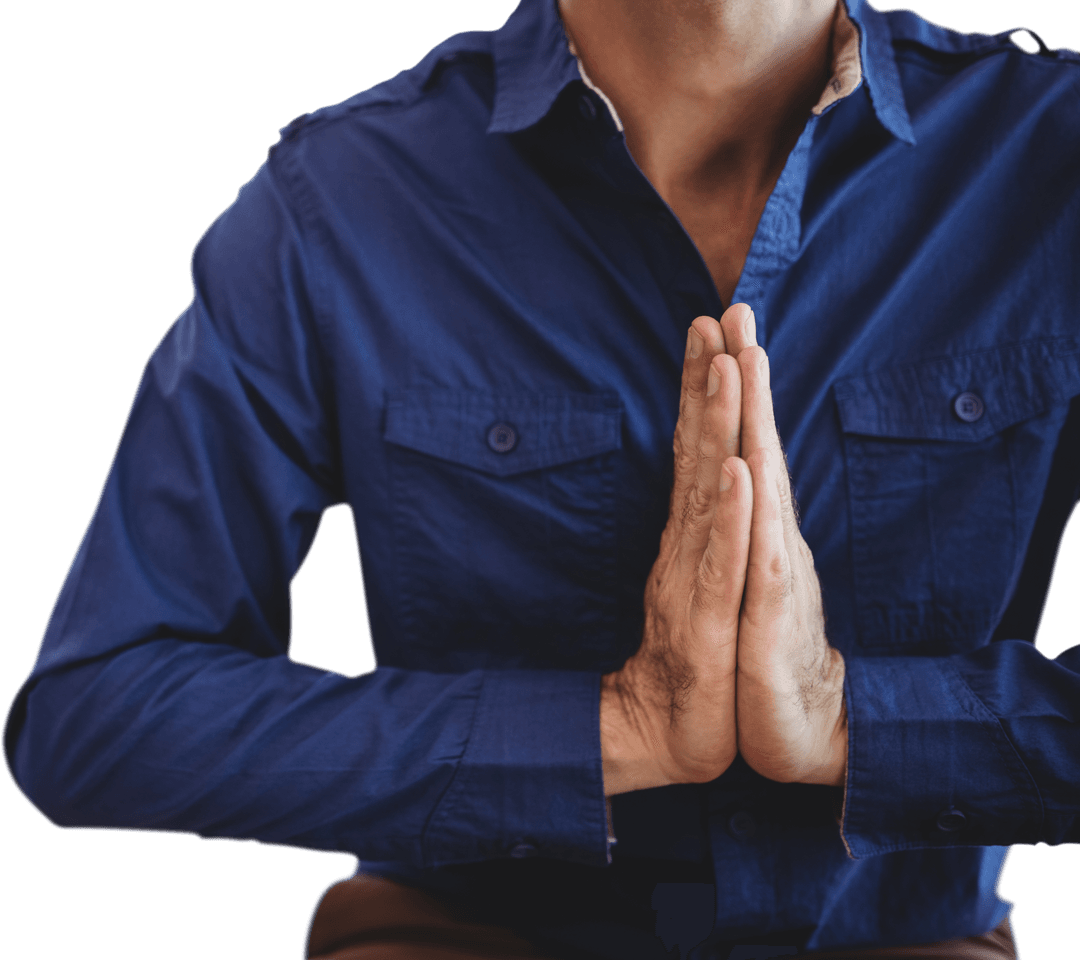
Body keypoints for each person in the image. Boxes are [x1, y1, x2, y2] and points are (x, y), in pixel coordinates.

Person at [3, 0, 1078, 957]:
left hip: (904, 940)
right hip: (462, 937)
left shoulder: (1053, 157)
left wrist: (846, 722)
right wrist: (614, 730)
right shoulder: (337, 198)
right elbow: (95, 713)